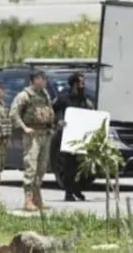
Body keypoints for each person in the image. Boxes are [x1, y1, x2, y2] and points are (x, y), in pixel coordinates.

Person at [11, 71, 55, 211]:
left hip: (44, 134)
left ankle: (37, 198)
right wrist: (24, 128)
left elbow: (48, 111)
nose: (45, 81)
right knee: (31, 166)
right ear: (35, 79)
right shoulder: (24, 96)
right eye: (42, 79)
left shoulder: (45, 94)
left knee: (41, 168)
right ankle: (28, 200)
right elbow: (13, 113)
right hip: (32, 135)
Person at [53, 72, 95, 202]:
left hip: (80, 136)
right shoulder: (64, 98)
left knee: (79, 165)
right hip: (67, 136)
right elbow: (51, 110)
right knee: (68, 166)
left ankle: (77, 189)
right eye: (81, 82)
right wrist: (57, 121)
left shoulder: (84, 99)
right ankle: (68, 192)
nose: (83, 85)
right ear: (75, 84)